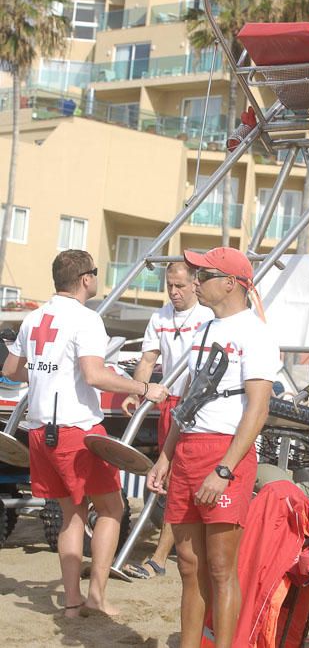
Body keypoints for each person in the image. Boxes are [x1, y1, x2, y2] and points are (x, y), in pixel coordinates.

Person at [3, 250, 167, 618]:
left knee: (71, 515)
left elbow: (12, 370)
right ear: (85, 279)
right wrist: (143, 389)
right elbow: (94, 375)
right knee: (111, 508)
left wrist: (51, 373)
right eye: (94, 273)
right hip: (76, 430)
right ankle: (95, 597)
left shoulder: (34, 317)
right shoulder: (86, 319)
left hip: (40, 428)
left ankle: (72, 602)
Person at [147, 247, 280, 648]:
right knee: (188, 564)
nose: (196, 282)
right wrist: (165, 456)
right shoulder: (205, 329)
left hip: (225, 453)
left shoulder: (255, 333)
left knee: (221, 566)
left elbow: (258, 410)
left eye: (204, 275)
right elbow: (189, 401)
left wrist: (224, 469)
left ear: (231, 283)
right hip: (188, 448)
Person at [121, 261, 213, 579]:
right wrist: (137, 392)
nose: (174, 292)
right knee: (168, 478)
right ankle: (167, 552)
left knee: (178, 479)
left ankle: (160, 557)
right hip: (169, 401)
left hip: (196, 404)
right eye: (169, 285)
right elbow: (148, 359)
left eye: (180, 286)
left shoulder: (207, 317)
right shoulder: (160, 316)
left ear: (195, 284)